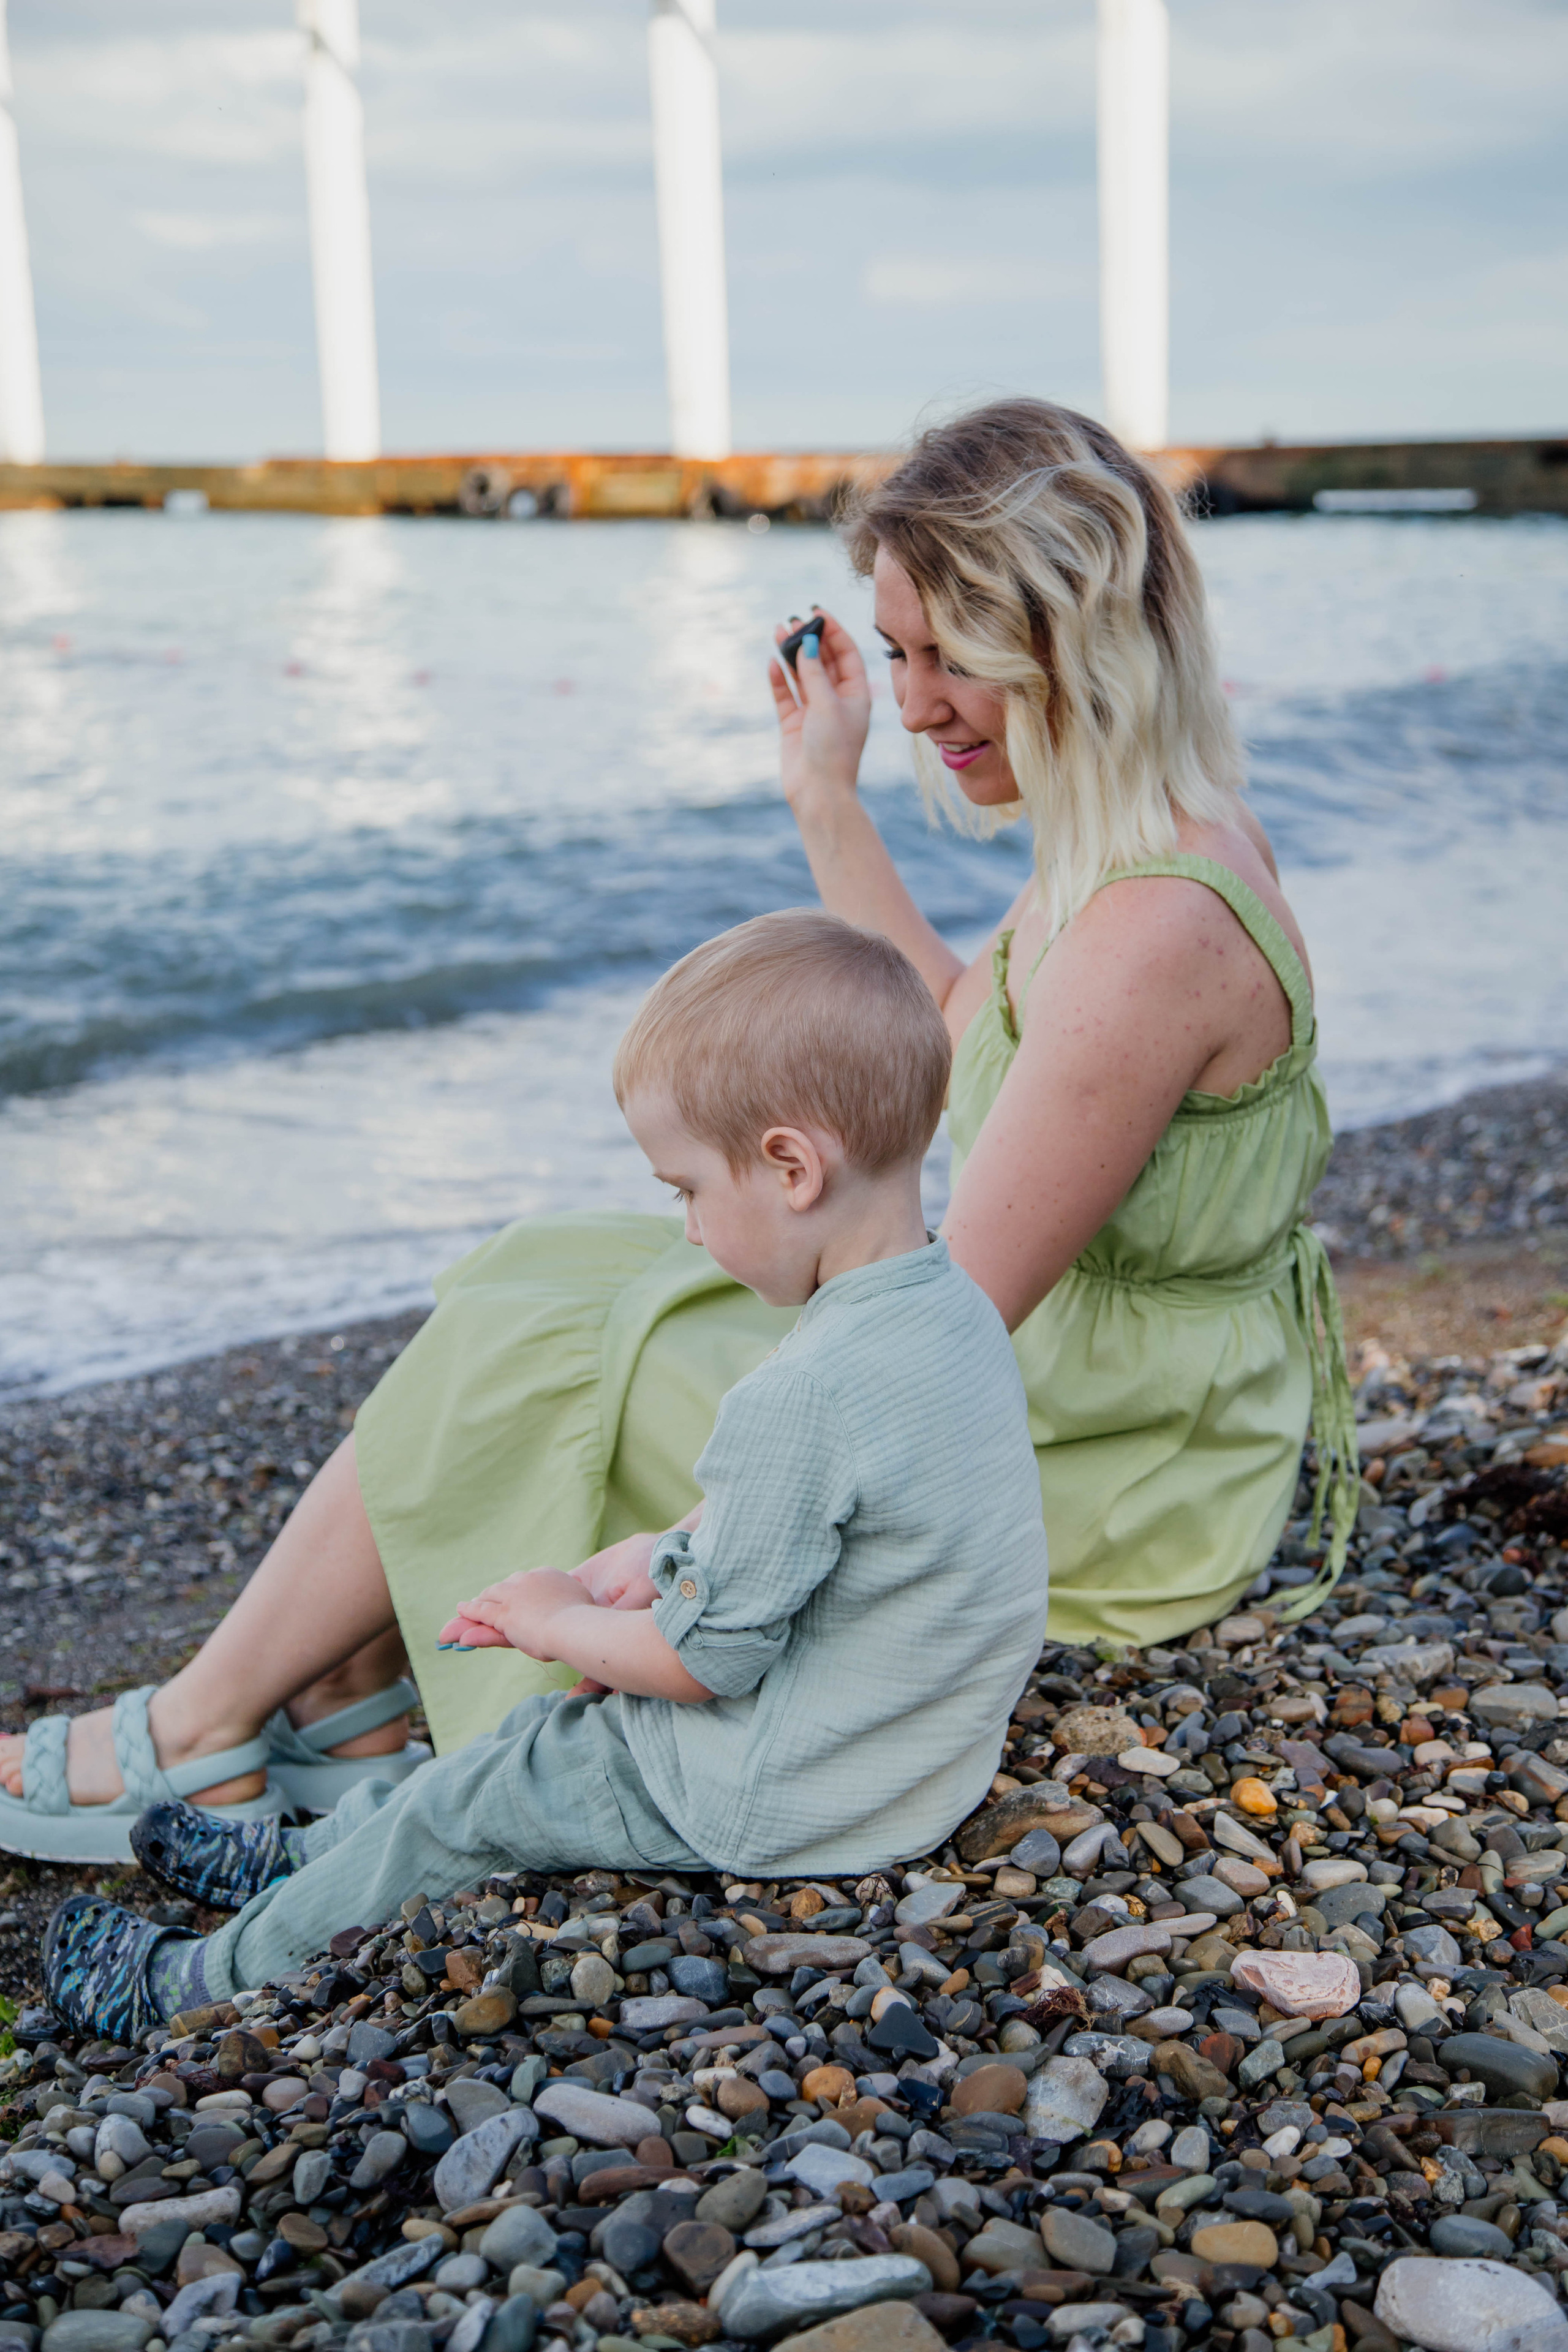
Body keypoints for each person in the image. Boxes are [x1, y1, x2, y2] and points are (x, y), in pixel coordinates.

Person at [0, 395, 1354, 1860]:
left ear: (1067, 631)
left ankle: (208, 1730)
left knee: (539, 1344)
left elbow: (933, 1334)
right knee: (561, 1264)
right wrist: (820, 797)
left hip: (1111, 1466)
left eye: (944, 657)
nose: (909, 705)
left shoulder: (1152, 922)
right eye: (893, 654)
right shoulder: (1141, 830)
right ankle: (350, 1701)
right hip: (1106, 1394)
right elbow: (964, 1042)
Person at [42, 912, 1051, 2039]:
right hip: (910, 1758)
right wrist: (652, 1554)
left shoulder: (798, 1391)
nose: (685, 1231)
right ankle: (314, 1856)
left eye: (685, 1191)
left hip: (791, 1792)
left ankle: (197, 1984)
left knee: (490, 1785)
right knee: (527, 1754)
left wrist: (556, 1621)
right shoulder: (953, 1310)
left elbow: (702, 1662)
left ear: (791, 1167)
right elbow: (853, 1520)